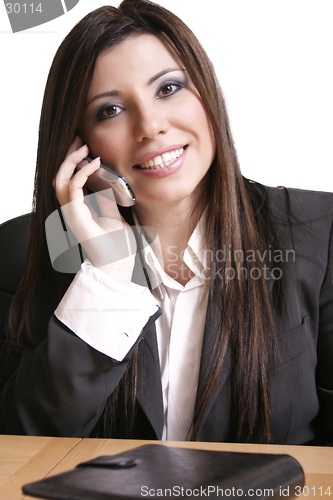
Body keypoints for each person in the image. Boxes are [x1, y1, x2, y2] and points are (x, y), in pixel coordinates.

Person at [0, 0, 332, 445]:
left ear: (206, 94)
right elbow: (21, 442)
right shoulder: (23, 250)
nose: (151, 126)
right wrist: (109, 278)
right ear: (78, 145)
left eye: (168, 88)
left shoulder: (318, 233)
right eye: (110, 110)